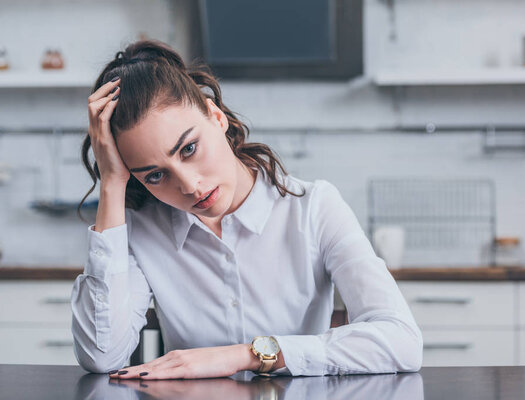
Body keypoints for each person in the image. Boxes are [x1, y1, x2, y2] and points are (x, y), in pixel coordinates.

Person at [70, 39, 422, 380]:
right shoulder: (142, 230)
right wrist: (112, 184)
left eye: (189, 148)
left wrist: (245, 356)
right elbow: (102, 356)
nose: (189, 186)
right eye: (156, 175)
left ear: (216, 116)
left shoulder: (314, 208)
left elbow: (401, 340)